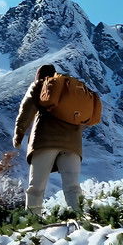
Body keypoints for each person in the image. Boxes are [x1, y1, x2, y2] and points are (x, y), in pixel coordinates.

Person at [13, 64, 84, 216]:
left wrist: (18, 135)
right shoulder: (70, 89)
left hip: (45, 141)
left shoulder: (39, 85)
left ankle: (33, 221)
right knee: (73, 187)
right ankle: (81, 219)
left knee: (36, 188)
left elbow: (25, 112)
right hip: (73, 144)